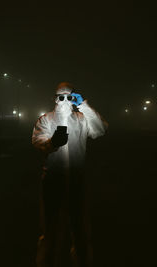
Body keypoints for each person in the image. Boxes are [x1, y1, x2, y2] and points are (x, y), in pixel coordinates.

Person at [32, 82, 108, 267]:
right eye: (61, 96)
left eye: (69, 96)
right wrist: (52, 143)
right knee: (50, 227)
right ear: (55, 99)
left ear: (74, 98)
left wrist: (84, 105)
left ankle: (81, 260)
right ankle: (46, 261)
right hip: (52, 180)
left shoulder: (82, 118)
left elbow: (100, 129)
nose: (65, 100)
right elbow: (38, 141)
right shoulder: (46, 119)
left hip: (76, 180)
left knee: (80, 227)